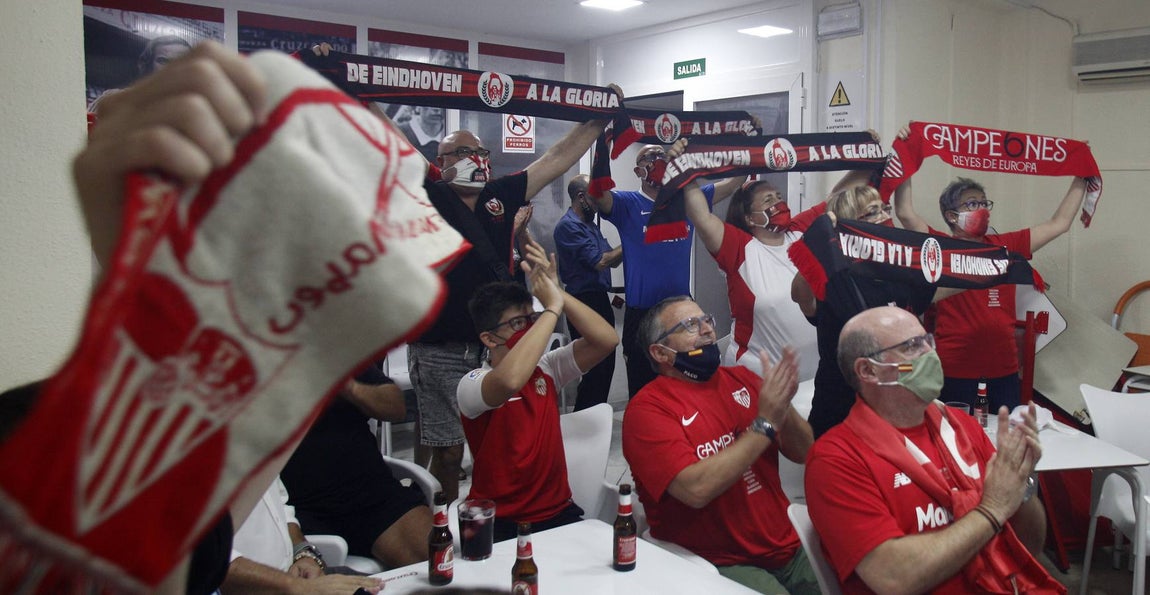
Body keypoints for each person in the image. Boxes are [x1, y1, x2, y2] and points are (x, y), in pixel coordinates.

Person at [804, 306, 1061, 593]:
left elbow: (1029, 547)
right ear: (868, 370)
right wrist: (992, 509)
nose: (930, 354)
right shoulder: (836, 460)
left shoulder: (963, 427)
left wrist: (1022, 486)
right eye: (912, 346)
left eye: (928, 341)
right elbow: (893, 578)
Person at [621, 296, 820, 594]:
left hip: (788, 545)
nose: (707, 330)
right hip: (718, 561)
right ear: (661, 352)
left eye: (707, 320)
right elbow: (695, 490)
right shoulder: (648, 410)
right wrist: (764, 423)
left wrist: (784, 407)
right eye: (690, 325)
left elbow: (804, 451)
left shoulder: (743, 380)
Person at [892, 148, 1088, 410]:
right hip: (956, 370)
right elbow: (905, 212)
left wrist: (1081, 175)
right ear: (951, 215)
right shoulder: (939, 245)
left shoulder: (1005, 245)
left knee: (1003, 430)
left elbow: (1059, 223)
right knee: (958, 433)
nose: (982, 209)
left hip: (1003, 371)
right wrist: (906, 151)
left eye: (984, 203)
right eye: (972, 204)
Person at [457, 237, 618, 542]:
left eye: (531, 319)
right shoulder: (473, 383)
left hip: (557, 511)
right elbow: (509, 381)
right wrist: (551, 310)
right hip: (498, 519)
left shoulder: (547, 368)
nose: (531, 328)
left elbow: (606, 340)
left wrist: (558, 295)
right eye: (519, 323)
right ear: (489, 339)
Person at [791, 183, 963, 438]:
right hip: (841, 414)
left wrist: (996, 268)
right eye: (873, 212)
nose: (884, 216)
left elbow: (941, 280)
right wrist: (819, 242)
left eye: (885, 209)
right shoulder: (837, 277)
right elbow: (800, 295)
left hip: (893, 408)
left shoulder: (898, 274)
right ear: (850, 224)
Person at [591, 145, 744, 397]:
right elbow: (599, 195)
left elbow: (732, 184)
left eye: (662, 155)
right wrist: (602, 140)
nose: (658, 160)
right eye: (649, 157)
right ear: (638, 171)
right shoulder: (627, 204)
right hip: (642, 315)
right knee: (643, 389)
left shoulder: (687, 201)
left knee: (687, 384)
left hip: (682, 311)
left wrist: (746, 143)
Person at [280, 369, 431, 569]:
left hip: (369, 494)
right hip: (298, 509)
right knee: (307, 578)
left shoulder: (328, 357)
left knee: (436, 563)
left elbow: (397, 407)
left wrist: (349, 387)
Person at [223, 478, 384, 594]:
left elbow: (281, 504)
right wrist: (296, 586)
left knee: (391, 588)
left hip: (295, 580)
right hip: (257, 588)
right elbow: (210, 562)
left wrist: (303, 553)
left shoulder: (252, 444)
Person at [553, 174, 623, 410]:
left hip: (598, 299)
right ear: (581, 197)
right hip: (583, 301)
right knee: (595, 366)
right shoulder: (568, 226)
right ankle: (584, 419)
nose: (600, 203)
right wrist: (632, 240)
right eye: (596, 198)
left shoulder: (590, 226)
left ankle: (594, 417)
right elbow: (601, 261)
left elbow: (613, 260)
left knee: (606, 364)